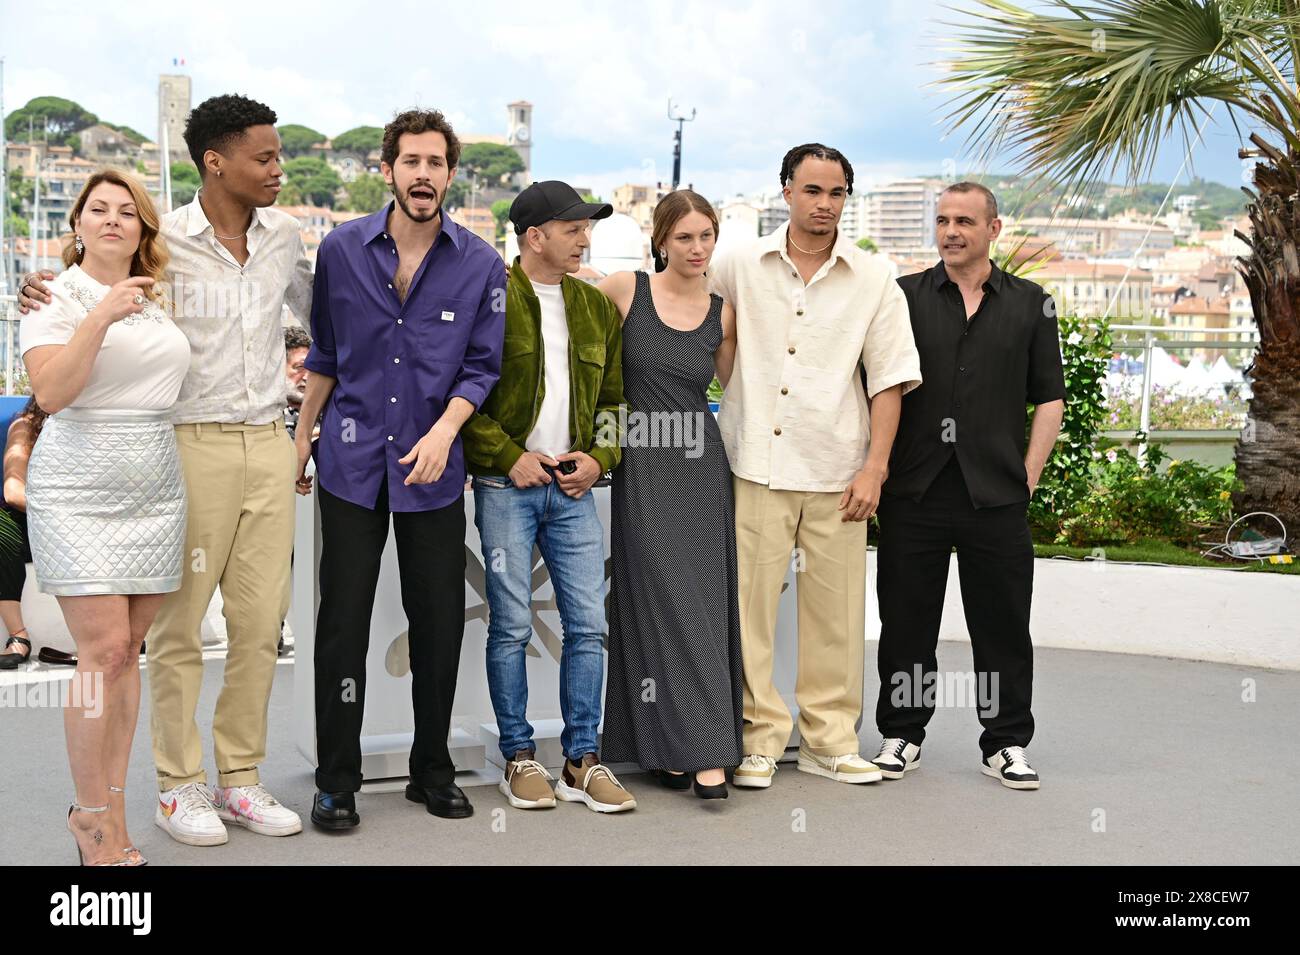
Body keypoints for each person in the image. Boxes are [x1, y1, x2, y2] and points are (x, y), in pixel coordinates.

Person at [21, 93, 312, 846]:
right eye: (266, 156)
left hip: (262, 443)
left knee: (257, 623)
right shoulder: (164, 243)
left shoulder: (283, 237)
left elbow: (330, 324)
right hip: (177, 448)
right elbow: (64, 348)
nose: (279, 168)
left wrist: (309, 429)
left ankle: (238, 778)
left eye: (280, 155)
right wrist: (52, 289)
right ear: (216, 161)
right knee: (162, 636)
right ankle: (173, 787)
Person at [295, 109, 505, 829]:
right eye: (410, 160)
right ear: (387, 168)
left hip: (433, 468)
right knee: (341, 623)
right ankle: (336, 778)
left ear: (451, 173)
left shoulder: (481, 263)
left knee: (439, 621)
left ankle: (433, 769)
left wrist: (447, 432)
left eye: (435, 162)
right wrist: (301, 440)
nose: (423, 174)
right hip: (351, 464)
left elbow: (482, 369)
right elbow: (323, 355)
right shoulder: (340, 251)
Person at [709, 144, 922, 790]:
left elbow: (889, 379)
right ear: (785, 192)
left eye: (835, 193)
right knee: (749, 615)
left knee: (836, 616)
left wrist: (875, 468)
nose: (824, 205)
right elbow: (712, 335)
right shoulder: (739, 264)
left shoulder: (873, 278)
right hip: (754, 465)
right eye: (811, 191)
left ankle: (830, 739)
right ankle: (757, 740)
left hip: (838, 471)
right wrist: (737, 392)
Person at [20, 169, 191, 865]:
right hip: (79, 482)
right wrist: (97, 315)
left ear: (144, 227)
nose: (114, 219)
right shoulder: (52, 297)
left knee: (128, 655)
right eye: (99, 209)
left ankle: (115, 806)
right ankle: (89, 819)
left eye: (128, 211)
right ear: (79, 224)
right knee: (101, 653)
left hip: (154, 479)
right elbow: (52, 392)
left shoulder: (158, 299)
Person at [871, 182, 1064, 790]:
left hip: (998, 496)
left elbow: (1050, 399)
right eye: (943, 221)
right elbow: (879, 387)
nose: (951, 231)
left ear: (993, 230)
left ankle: (1005, 742)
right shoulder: (902, 298)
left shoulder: (1032, 304)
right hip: (915, 491)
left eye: (964, 221)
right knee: (906, 622)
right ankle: (902, 734)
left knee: (1003, 625)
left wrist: (1027, 475)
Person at [461, 180, 636, 814]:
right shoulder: (490, 298)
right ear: (535, 236)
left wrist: (599, 457)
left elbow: (615, 401)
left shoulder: (593, 307)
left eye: (587, 227)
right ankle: (518, 755)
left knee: (589, 627)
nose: (585, 238)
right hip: (506, 485)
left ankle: (582, 761)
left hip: (574, 488)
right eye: (573, 228)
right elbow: (457, 395)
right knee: (509, 626)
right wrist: (510, 457)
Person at [597, 190, 742, 800]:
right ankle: (668, 747)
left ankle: (704, 751)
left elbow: (736, 394)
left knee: (704, 606)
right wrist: (596, 445)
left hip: (700, 465)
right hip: (640, 464)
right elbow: (590, 369)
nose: (697, 248)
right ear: (661, 241)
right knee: (653, 603)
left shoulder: (723, 312)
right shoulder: (622, 290)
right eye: (684, 237)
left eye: (706, 236)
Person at [0, 398, 46, 670]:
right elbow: (13, 492)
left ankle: (116, 631)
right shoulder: (26, 426)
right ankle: (19, 635)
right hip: (30, 518)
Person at [283, 326, 310, 437]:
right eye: (300, 367)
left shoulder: (331, 416)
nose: (307, 377)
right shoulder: (266, 420)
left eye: (314, 368)